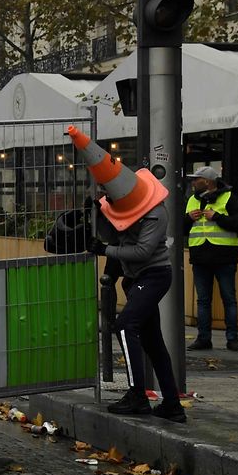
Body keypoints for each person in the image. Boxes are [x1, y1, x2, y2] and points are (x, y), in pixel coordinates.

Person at [68, 127, 185, 422]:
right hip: (136, 279)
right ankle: (171, 404)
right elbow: (117, 234)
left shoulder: (156, 214)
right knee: (153, 342)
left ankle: (137, 395)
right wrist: (97, 215)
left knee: (124, 325)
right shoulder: (121, 206)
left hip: (154, 275)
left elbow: (143, 252)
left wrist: (104, 250)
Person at [185, 166, 238, 353]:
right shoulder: (192, 200)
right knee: (203, 301)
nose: (193, 182)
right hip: (200, 258)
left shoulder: (228, 198)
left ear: (208, 181)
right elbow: (181, 229)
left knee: (229, 299)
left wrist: (217, 217)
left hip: (224, 258)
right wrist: (188, 219)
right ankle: (203, 339)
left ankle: (233, 340)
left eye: (197, 179)